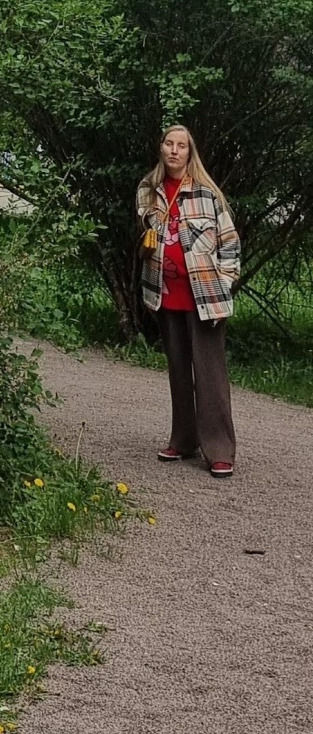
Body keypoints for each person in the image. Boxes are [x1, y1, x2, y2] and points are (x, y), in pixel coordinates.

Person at [136, 125, 240, 475]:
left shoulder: (207, 194)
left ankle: (219, 449)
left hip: (205, 298)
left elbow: (229, 244)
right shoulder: (148, 191)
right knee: (179, 371)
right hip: (166, 296)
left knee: (210, 376)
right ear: (161, 148)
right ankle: (183, 440)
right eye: (169, 143)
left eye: (181, 146)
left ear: (190, 152)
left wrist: (224, 284)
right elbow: (147, 237)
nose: (174, 151)